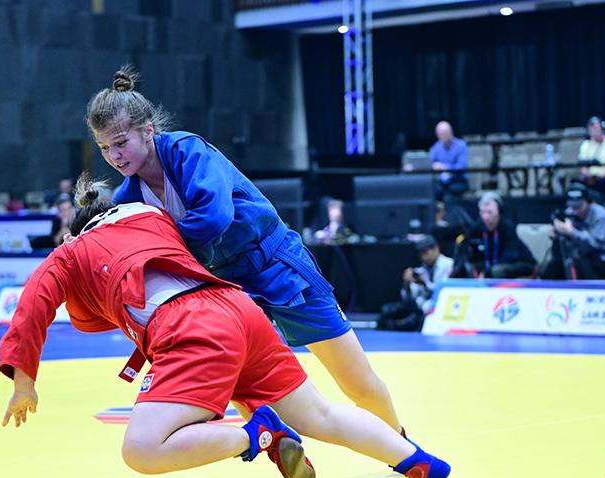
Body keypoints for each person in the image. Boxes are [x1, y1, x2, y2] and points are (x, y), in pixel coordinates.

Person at [0, 183, 451, 478]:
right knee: (320, 414)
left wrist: (24, 382)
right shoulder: (153, 216)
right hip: (238, 308)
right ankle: (417, 462)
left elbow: (34, 305)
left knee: (142, 449)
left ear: (73, 233)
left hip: (189, 327)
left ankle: (259, 434)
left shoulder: (71, 252)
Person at [85, 65, 406, 434]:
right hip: (228, 287)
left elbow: (214, 217)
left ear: (148, 130)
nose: (114, 156)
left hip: (277, 265)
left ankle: (402, 444)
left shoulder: (188, 152)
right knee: (244, 385)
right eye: (104, 147)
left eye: (121, 142)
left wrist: (163, 246)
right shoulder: (128, 197)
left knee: (357, 383)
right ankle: (279, 447)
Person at [540, 186, 605, 280]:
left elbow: (594, 244)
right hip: (582, 259)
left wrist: (571, 232)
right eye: (572, 206)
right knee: (556, 265)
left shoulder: (600, 214)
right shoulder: (569, 213)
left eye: (579, 206)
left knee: (582, 263)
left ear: (588, 202)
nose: (575, 210)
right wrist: (556, 233)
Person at [378, 236, 452, 332]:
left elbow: (443, 292)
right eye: (420, 253)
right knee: (386, 311)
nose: (423, 257)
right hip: (419, 306)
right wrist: (407, 283)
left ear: (436, 249)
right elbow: (407, 298)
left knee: (418, 318)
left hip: (438, 307)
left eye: (425, 252)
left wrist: (425, 284)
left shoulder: (448, 265)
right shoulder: (421, 270)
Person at [463, 192, 535, 278]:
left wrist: (487, 272)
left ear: (499, 212)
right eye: (482, 212)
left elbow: (510, 256)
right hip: (494, 267)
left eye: (489, 212)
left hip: (520, 263)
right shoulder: (478, 227)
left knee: (497, 270)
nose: (485, 217)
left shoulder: (507, 227)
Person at [578, 117, 605, 197]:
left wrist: (599, 177)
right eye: (591, 128)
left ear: (602, 128)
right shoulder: (585, 144)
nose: (594, 131)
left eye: (596, 128)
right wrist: (589, 176)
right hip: (590, 178)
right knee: (577, 186)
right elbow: (583, 167)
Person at [429, 121, 468, 202]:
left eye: (445, 133)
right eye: (440, 134)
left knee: (448, 196)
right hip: (442, 182)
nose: (443, 136)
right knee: (431, 191)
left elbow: (461, 166)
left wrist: (445, 167)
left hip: (458, 180)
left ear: (451, 132)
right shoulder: (436, 147)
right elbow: (429, 162)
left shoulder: (461, 145)